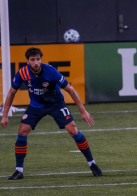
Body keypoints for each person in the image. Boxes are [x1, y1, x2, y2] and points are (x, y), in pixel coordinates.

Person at [0, 47, 102, 180]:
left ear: (41, 59)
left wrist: (83, 111)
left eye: (38, 59)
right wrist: (5, 115)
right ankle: (19, 170)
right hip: (36, 106)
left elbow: (70, 90)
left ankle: (92, 163)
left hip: (56, 104)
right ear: (27, 61)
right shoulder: (22, 73)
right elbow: (11, 93)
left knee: (73, 131)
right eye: (32, 60)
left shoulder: (51, 71)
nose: (36, 62)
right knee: (22, 131)